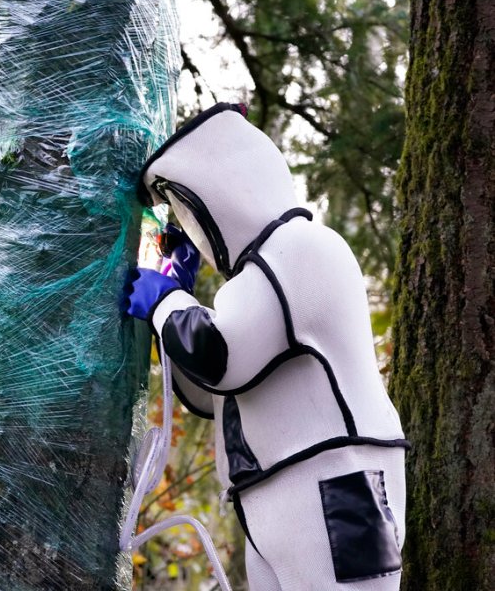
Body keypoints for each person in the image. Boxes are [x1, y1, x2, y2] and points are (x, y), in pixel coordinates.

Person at [125, 102, 409, 590]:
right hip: (275, 503)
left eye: (189, 213)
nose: (191, 231)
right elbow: (211, 394)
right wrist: (177, 306)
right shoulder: (256, 280)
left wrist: (168, 302)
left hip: (336, 491)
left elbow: (221, 358)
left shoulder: (302, 249)